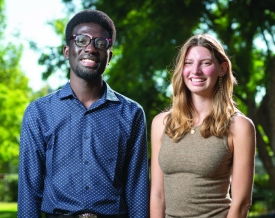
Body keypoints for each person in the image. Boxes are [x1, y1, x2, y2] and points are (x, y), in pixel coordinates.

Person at [17, 9, 149, 218]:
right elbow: (29, 189)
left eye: (100, 43)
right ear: (67, 51)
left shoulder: (131, 113)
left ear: (109, 56)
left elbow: (137, 187)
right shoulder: (39, 112)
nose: (90, 48)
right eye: (81, 40)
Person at [150, 34, 256, 218]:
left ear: (222, 68)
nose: (195, 71)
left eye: (206, 63)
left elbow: (242, 203)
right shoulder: (161, 123)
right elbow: (158, 195)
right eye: (188, 63)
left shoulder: (239, 126)